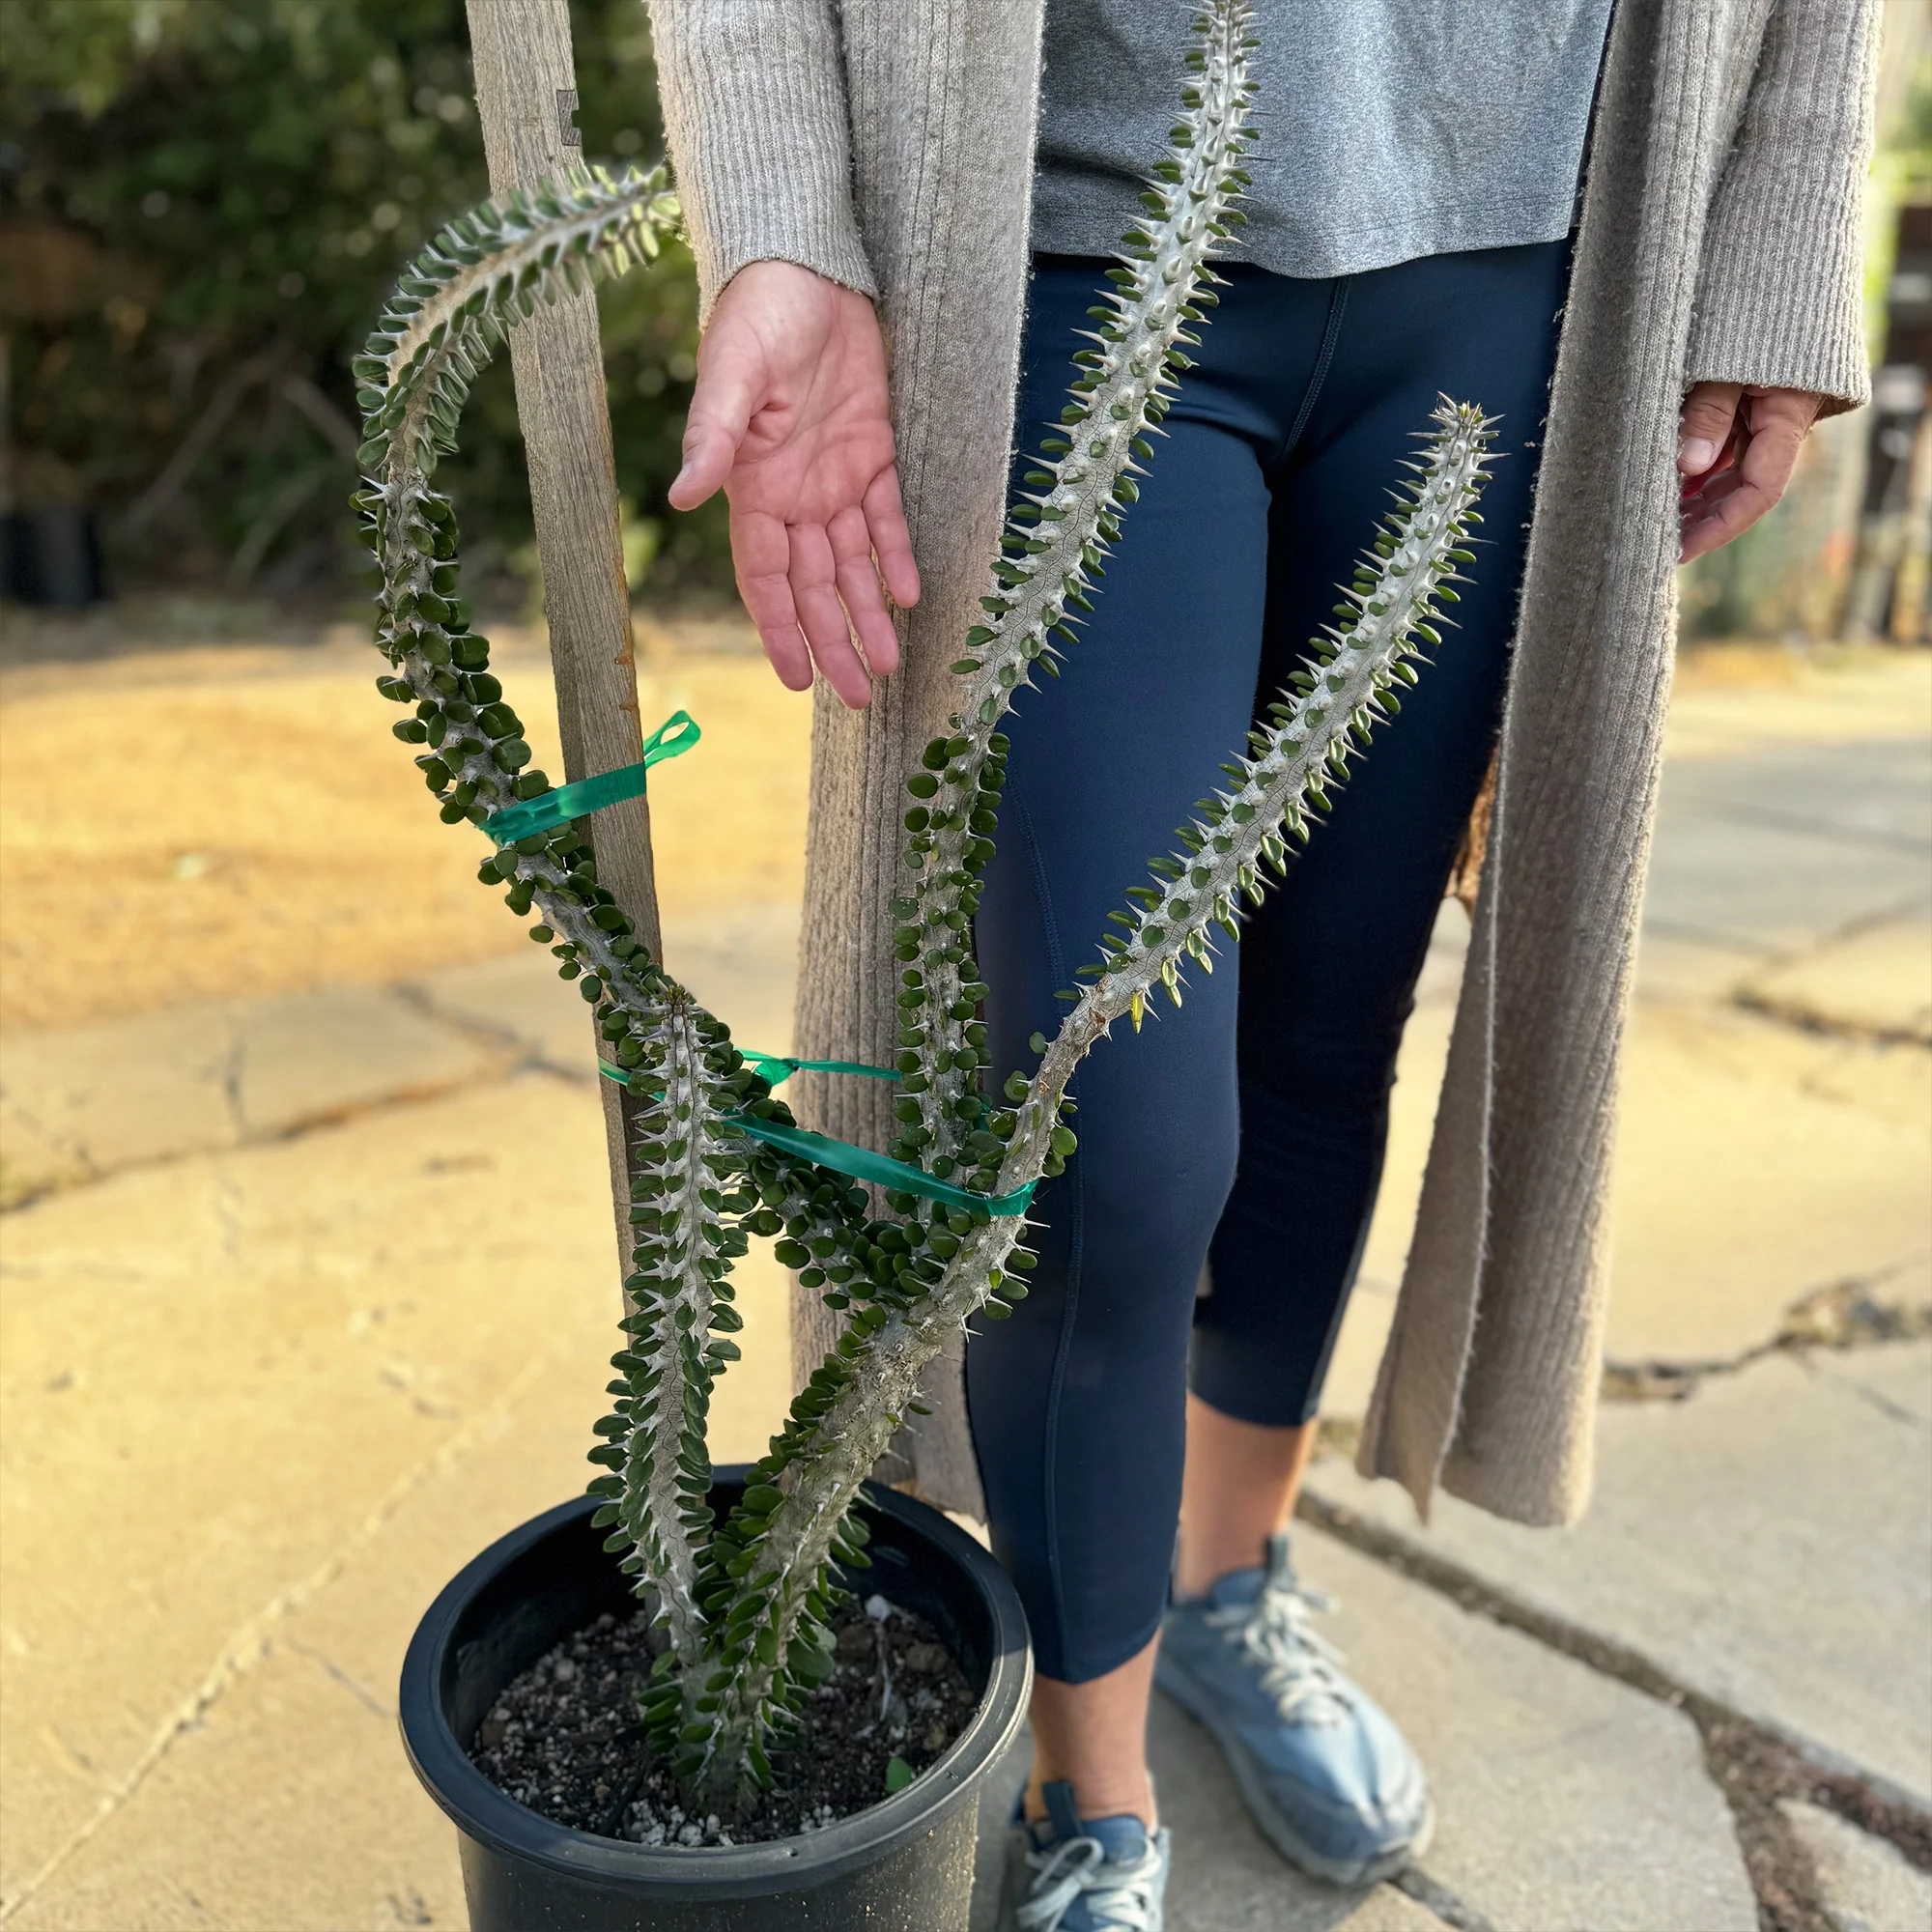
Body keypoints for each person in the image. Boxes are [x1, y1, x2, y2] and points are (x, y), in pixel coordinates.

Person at [643, 1, 1878, 1924]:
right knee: (1112, 1125)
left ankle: (1228, 1582)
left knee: (1327, 1033)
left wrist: (1779, 249)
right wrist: (781, 214)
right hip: (1076, 249)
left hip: (1505, 263)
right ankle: (1092, 1792)